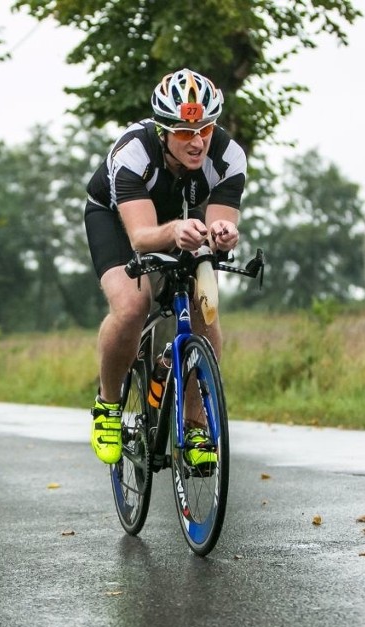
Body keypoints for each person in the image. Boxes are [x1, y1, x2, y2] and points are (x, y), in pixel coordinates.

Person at [84, 69, 246, 467]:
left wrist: (222, 233)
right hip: (119, 221)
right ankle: (108, 405)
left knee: (204, 308)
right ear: (162, 131)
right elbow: (140, 237)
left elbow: (219, 224)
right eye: (184, 132)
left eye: (204, 129)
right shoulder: (134, 153)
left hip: (182, 221)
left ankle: (194, 426)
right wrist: (177, 230)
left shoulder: (229, 157)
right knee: (131, 306)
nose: (197, 142)